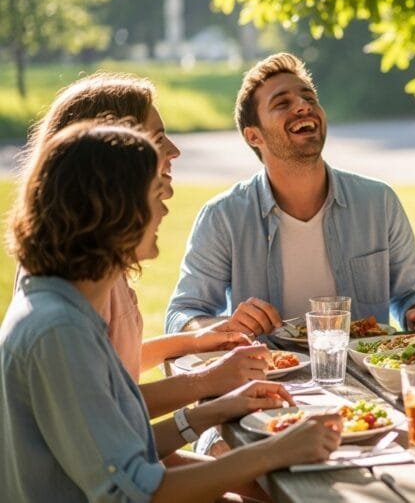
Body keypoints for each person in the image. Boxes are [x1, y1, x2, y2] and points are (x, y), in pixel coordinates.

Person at [1, 121, 341, 501]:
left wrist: (216, 410)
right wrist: (274, 452)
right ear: (113, 210)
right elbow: (134, 494)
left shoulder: (65, 309)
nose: (165, 207)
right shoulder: (60, 332)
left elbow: (129, 452)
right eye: (154, 193)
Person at [21, 73, 268, 419]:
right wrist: (207, 382)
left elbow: (107, 363)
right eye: (158, 139)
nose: (174, 151)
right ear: (112, 156)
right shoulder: (70, 282)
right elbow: (100, 405)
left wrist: (195, 341)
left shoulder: (95, 255)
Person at [165, 52, 415, 337]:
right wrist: (227, 326)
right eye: (282, 103)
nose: (303, 106)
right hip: (267, 364)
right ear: (254, 136)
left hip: (363, 364)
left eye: (309, 98)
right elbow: (182, 316)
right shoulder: (223, 217)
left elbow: (413, 294)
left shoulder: (379, 202)